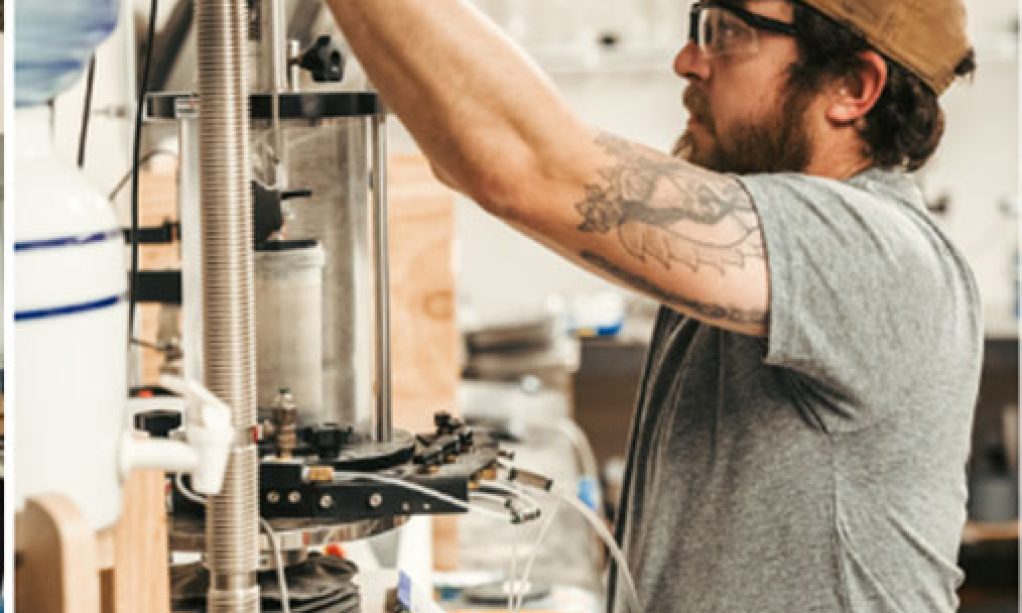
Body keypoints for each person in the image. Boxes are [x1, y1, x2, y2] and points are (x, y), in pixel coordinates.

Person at [324, 0, 982, 611]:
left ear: (851, 88)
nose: (688, 59)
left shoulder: (876, 254)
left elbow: (524, 165)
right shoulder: (766, 244)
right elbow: (475, 148)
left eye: (727, 31)